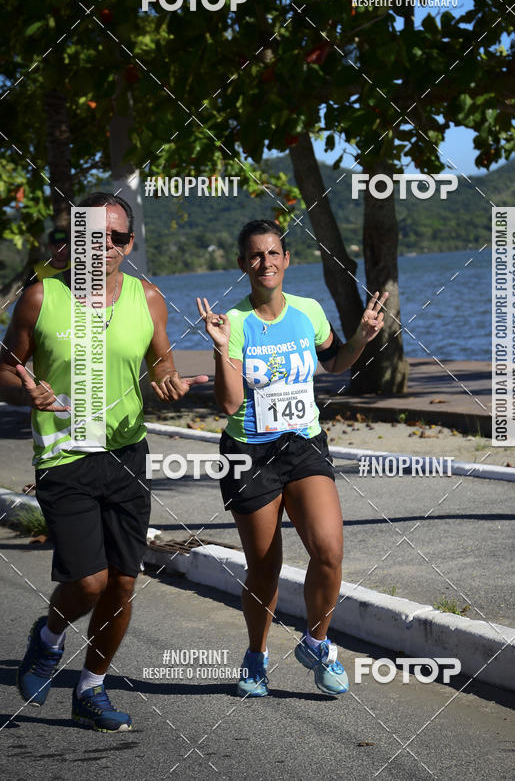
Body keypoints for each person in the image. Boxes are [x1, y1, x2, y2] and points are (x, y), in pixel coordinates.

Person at [0, 192, 207, 732]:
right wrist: (26, 392)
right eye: (95, 235)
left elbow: (161, 360)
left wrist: (168, 380)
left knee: (122, 583)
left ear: (129, 243)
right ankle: (48, 638)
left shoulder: (147, 297)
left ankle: (91, 689)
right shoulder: (41, 297)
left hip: (126, 453)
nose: (106, 246)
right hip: (65, 455)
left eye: (116, 237)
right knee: (89, 582)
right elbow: (4, 371)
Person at [197, 219, 387, 698]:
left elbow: (334, 362)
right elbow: (229, 404)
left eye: (273, 253)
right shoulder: (233, 322)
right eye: (256, 255)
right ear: (243, 264)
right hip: (249, 452)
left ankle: (317, 644)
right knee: (264, 568)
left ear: (286, 259)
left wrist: (362, 337)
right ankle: (256, 656)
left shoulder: (309, 311)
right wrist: (220, 350)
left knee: (329, 551)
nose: (266, 262)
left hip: (303, 445)